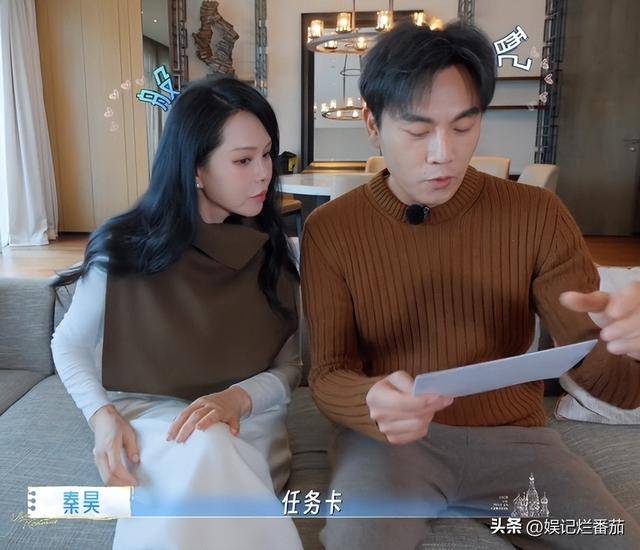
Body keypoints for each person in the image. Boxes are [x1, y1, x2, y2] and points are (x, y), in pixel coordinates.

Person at [300, 20, 640, 549]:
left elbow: (617, 387)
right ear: (372, 123)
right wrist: (369, 400)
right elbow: (326, 372)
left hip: (516, 441)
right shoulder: (331, 229)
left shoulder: (536, 214)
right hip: (390, 444)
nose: (444, 153)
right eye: (418, 131)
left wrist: (622, 345)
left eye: (464, 126)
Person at [51, 77, 303, 550]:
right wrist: (102, 417)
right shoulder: (124, 247)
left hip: (245, 422)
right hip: (150, 421)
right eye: (244, 160)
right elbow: (68, 343)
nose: (264, 174)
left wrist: (238, 398)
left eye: (268, 155)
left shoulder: (274, 251)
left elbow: (290, 367)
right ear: (195, 170)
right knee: (200, 448)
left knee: (212, 444)